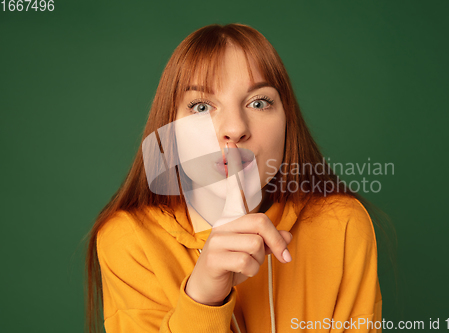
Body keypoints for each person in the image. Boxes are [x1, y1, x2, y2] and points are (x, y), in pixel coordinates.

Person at [85, 23, 383, 333]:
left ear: (287, 122)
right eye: (202, 106)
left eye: (258, 103)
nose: (235, 128)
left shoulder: (342, 224)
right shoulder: (128, 239)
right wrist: (203, 297)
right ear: (170, 131)